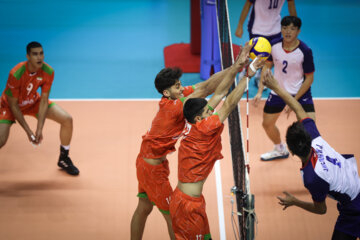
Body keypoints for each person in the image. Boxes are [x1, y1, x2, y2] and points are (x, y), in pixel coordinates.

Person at [130, 44, 249, 240]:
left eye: (180, 83)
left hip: (146, 161)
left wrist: (236, 67)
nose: (181, 87)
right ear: (166, 92)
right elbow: (214, 94)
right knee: (172, 216)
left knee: (143, 207)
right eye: (177, 85)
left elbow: (207, 86)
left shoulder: (175, 96)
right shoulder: (176, 107)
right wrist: (239, 68)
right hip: (153, 170)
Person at [169, 46, 265, 239]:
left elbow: (220, 94)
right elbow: (229, 104)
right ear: (199, 119)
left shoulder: (195, 122)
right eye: (208, 112)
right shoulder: (204, 127)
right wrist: (248, 75)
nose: (211, 112)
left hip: (188, 201)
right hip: (188, 205)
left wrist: (238, 66)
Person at [262, 69, 360, 240]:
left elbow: (321, 210)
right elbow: (298, 107)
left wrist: (295, 202)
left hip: (354, 208)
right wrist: (276, 87)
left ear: (291, 151)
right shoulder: (313, 137)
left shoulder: (312, 177)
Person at [0, 42, 79, 176]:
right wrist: (28, 131)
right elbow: (13, 105)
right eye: (35, 54)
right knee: (1, 140)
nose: (39, 57)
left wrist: (39, 128)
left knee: (67, 119)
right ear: (28, 57)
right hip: (9, 105)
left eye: (41, 53)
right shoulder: (16, 74)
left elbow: (43, 100)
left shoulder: (48, 71)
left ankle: (64, 158)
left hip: (33, 102)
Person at [253, 16, 316, 161]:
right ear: (281, 29)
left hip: (300, 93)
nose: (288, 32)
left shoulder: (305, 51)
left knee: (311, 130)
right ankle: (280, 149)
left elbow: (309, 79)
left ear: (298, 31)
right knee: (267, 124)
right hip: (278, 92)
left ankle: (313, 161)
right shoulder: (273, 45)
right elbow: (267, 67)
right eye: (285, 28)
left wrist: (293, 101)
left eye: (292, 29)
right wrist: (260, 91)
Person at [235, 0, 297, 87]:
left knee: (274, 58)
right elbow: (248, 4)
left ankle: (260, 74)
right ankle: (245, 73)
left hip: (275, 29)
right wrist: (240, 25)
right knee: (255, 57)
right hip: (257, 28)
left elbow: (291, 4)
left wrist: (294, 28)